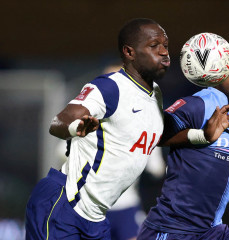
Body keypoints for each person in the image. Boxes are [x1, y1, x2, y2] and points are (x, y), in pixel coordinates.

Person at [25, 18, 170, 240]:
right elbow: (58, 123)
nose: (163, 52)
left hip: (98, 216)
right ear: (129, 53)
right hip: (66, 205)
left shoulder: (155, 96)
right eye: (154, 46)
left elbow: (158, 147)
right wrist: (76, 127)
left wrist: (201, 137)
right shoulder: (110, 86)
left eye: (166, 45)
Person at [137, 43, 229, 240]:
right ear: (216, 77)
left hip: (211, 230)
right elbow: (154, 133)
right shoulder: (200, 103)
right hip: (173, 230)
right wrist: (201, 136)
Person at [103, 62, 166, 240]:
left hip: (111, 207)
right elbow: (157, 169)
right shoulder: (144, 124)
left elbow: (62, 152)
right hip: (111, 208)